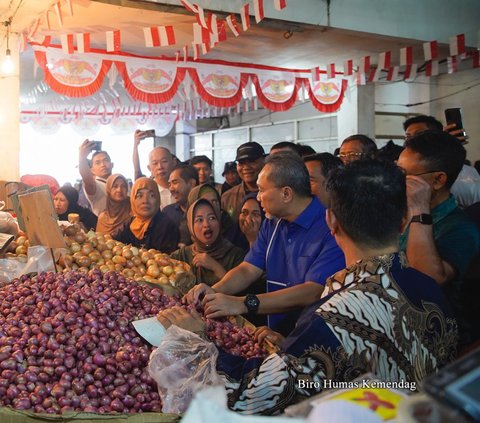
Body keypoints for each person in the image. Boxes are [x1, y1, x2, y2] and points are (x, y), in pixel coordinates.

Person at [158, 160, 458, 415]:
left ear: (331, 221)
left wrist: (195, 341)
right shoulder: (431, 292)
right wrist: (292, 349)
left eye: (263, 190)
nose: (258, 196)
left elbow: (249, 393)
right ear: (405, 221)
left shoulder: (331, 319)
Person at [186, 152, 345, 335]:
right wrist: (213, 291)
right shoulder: (272, 223)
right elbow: (248, 268)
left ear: (286, 194)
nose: (258, 197)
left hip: (313, 337)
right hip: (275, 331)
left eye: (262, 190)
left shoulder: (331, 225)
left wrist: (243, 303)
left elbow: (313, 290)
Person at [397, 130, 480, 347]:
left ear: (437, 179)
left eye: (405, 175)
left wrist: (419, 210)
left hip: (434, 339)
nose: (398, 181)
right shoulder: (396, 212)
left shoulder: (461, 228)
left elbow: (427, 278)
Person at [403, 115, 480, 208]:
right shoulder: (401, 164)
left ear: (439, 179)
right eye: (408, 136)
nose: (412, 140)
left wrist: (445, 146)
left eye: (419, 135)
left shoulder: (467, 173)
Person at [170, 199, 245, 286]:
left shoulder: (236, 256)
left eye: (212, 218)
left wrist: (215, 267)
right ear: (191, 226)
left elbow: (241, 295)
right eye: (199, 220)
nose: (206, 224)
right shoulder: (180, 257)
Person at [115, 177, 179, 254]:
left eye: (151, 195)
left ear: (158, 199)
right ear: (132, 199)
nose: (145, 201)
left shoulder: (167, 227)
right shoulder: (129, 224)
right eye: (139, 196)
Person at [221, 142, 265, 223]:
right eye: (241, 163)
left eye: (252, 161)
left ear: (264, 162)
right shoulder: (227, 197)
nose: (246, 167)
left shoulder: (275, 194)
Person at [132, 130, 176, 210]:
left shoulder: (180, 188)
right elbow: (137, 171)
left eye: (164, 161)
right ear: (149, 168)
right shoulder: (147, 191)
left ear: (173, 162)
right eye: (155, 163)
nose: (160, 167)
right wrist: (135, 146)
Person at [163, 164, 199, 247]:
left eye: (175, 182)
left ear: (191, 183)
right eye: (169, 184)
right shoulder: (167, 213)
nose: (171, 189)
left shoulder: (208, 212)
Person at [78, 141, 114, 216]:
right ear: (92, 170)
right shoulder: (96, 185)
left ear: (112, 165)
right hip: (104, 226)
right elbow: (87, 179)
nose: (103, 165)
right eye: (97, 163)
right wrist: (82, 157)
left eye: (106, 160)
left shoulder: (121, 183)